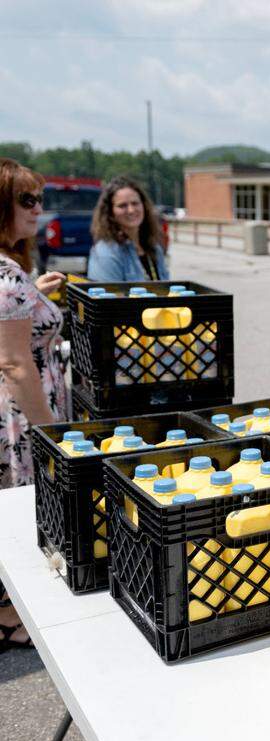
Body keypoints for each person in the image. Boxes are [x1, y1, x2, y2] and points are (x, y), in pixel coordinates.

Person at [0, 158, 69, 650]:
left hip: (16, 409)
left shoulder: (12, 276)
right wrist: (52, 435)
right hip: (21, 416)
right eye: (27, 200)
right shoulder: (6, 277)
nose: (38, 209)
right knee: (22, 514)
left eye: (39, 198)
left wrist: (35, 295)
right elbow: (16, 365)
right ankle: (9, 615)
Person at [87, 176, 169, 281]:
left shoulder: (155, 248)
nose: (131, 210)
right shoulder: (106, 253)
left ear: (144, 206)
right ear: (110, 213)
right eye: (122, 206)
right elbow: (108, 295)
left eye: (135, 203)